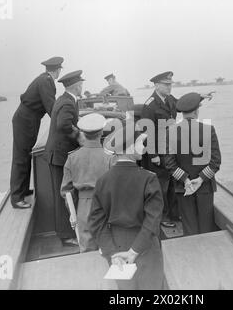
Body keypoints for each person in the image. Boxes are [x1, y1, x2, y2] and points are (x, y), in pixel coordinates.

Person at [90, 122, 164, 290]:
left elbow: (96, 223)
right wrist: (134, 251)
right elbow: (152, 220)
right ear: (130, 148)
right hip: (145, 246)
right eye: (140, 143)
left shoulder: (103, 181)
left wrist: (111, 253)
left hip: (117, 246)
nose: (143, 148)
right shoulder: (148, 179)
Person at [10, 56, 63, 209]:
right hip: (26, 119)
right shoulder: (46, 81)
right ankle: (16, 198)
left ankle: (23, 190)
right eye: (59, 70)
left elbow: (51, 106)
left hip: (28, 119)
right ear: (58, 70)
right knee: (20, 157)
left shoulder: (43, 79)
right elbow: (51, 107)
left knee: (25, 155)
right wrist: (62, 122)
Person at [165, 92, 221, 236]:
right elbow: (216, 161)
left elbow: (169, 164)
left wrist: (186, 180)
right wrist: (201, 179)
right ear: (197, 110)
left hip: (183, 187)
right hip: (205, 187)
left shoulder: (170, 131)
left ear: (181, 113)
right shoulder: (208, 129)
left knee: (189, 229)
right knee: (206, 228)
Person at [60, 113, 112, 252]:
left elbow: (67, 191)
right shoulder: (110, 158)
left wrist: (73, 212)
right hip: (106, 207)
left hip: (83, 209)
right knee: (110, 250)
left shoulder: (72, 158)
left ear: (82, 133)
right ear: (101, 132)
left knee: (87, 251)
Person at [45, 70, 85, 246]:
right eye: (81, 84)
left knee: (64, 194)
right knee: (65, 195)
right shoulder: (68, 103)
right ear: (76, 86)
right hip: (60, 156)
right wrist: (80, 137)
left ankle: (67, 232)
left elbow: (67, 121)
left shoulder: (65, 99)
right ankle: (66, 235)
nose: (82, 87)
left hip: (57, 154)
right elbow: (63, 124)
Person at [141, 71, 178, 228]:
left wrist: (200, 97)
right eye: (166, 84)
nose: (169, 87)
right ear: (156, 86)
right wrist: (153, 155)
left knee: (171, 183)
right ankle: (162, 217)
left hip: (170, 149)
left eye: (170, 84)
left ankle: (173, 214)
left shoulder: (169, 99)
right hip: (157, 152)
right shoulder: (150, 105)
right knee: (160, 186)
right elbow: (147, 132)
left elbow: (183, 103)